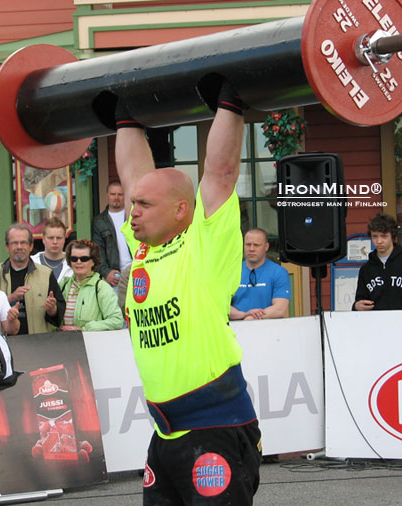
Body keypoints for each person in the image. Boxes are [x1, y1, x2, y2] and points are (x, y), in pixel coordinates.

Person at [115, 81, 261, 505]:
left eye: (144, 206)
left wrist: (231, 101)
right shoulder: (143, 248)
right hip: (165, 432)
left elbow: (219, 174)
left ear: (181, 209)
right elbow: (132, 175)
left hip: (216, 426)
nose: (133, 212)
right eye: (134, 205)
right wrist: (126, 115)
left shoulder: (204, 246)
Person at [0, 223, 65, 335]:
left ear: (31, 246)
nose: (19, 247)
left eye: (23, 243)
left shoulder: (46, 274)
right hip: (3, 345)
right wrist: (8, 300)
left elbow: (58, 315)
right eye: (14, 243)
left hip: (37, 343)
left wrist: (52, 309)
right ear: (7, 246)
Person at [59, 239, 124, 331]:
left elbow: (117, 321)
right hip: (62, 343)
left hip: (92, 343)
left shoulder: (102, 288)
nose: (78, 262)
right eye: (74, 258)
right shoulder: (63, 285)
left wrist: (84, 329)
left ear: (93, 261)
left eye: (84, 259)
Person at [230, 228, 291, 320]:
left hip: (270, 329)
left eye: (256, 245)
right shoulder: (231, 272)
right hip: (235, 329)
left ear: (266, 247)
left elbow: (280, 309)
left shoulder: (278, 272)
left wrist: (251, 318)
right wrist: (243, 315)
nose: (251, 249)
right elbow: (221, 306)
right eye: (248, 245)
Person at [353, 213, 402, 311]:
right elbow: (360, 301)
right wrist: (356, 306)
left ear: (392, 236)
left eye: (384, 236)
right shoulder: (366, 269)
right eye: (375, 236)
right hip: (376, 323)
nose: (379, 241)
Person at [92, 180, 132, 289]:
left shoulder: (133, 216)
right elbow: (98, 251)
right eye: (113, 194)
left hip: (136, 270)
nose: (116, 197)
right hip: (115, 275)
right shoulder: (99, 221)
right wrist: (106, 272)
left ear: (125, 196)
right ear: (107, 196)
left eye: (120, 194)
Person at [31, 217, 73, 282]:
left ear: (64, 239)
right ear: (43, 239)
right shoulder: (31, 263)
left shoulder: (74, 263)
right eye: (50, 238)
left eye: (59, 238)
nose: (55, 242)